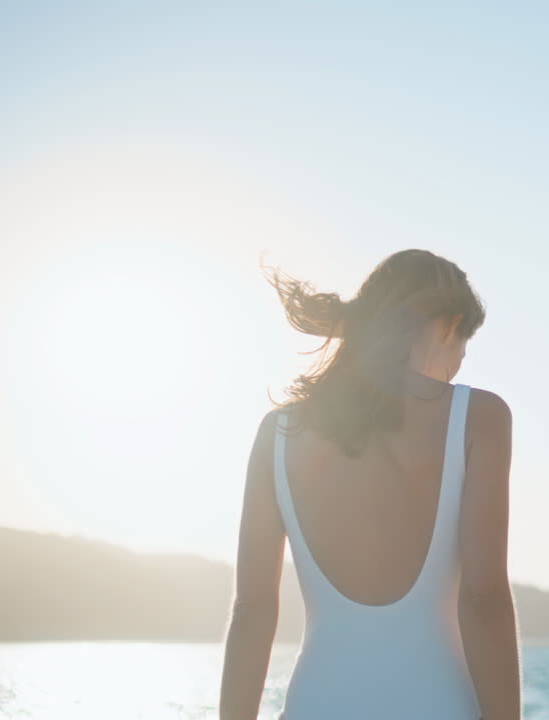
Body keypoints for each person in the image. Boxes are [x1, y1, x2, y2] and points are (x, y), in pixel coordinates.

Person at [219, 249, 522, 720]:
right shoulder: (478, 417)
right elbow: (483, 601)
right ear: (447, 325)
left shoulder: (278, 433)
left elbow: (252, 610)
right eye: (464, 343)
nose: (460, 361)